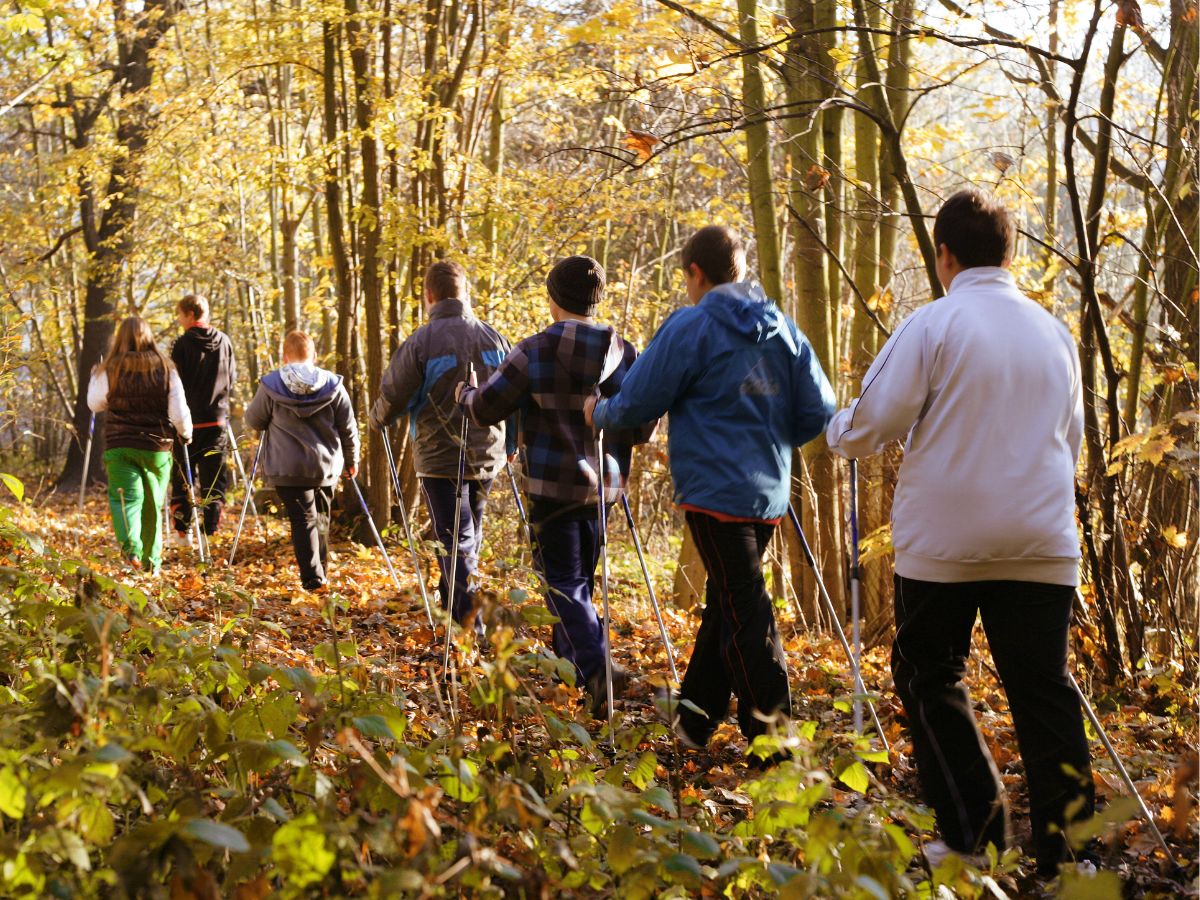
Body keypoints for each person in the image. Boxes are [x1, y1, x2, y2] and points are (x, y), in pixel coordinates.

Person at [825, 188, 1095, 875]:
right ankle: (1071, 860)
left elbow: (870, 423)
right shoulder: (1054, 334)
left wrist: (835, 431)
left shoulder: (934, 324)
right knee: (1044, 690)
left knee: (927, 673)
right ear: (1010, 254)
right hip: (1040, 540)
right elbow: (1072, 440)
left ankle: (976, 835)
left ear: (944, 255)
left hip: (945, 544)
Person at [585, 225, 835, 753]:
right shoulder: (783, 329)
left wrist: (597, 412)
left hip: (713, 494)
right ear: (739, 270)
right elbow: (818, 411)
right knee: (728, 603)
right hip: (768, 493)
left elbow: (637, 401)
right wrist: (770, 436)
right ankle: (694, 723)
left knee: (745, 610)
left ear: (695, 273)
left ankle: (775, 746)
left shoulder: (692, 326)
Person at [459, 255, 651, 717]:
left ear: (552, 299)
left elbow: (486, 408)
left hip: (551, 490)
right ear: (596, 299)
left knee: (563, 586)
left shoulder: (533, 351)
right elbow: (642, 427)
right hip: (604, 490)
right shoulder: (626, 355)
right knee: (579, 584)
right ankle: (577, 680)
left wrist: (464, 393)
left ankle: (598, 667)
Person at [369, 260, 511, 632]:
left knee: (457, 538)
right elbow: (515, 393)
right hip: (487, 454)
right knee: (467, 534)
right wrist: (515, 439)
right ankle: (455, 606)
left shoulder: (421, 342)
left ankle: (467, 626)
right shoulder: (494, 337)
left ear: (429, 296)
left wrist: (378, 419)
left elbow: (393, 392)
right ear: (465, 294)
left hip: (439, 456)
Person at [245, 331, 360, 592]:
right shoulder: (333, 385)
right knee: (320, 517)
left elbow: (253, 420)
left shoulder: (271, 386)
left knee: (304, 520)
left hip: (288, 468)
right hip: (325, 466)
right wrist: (352, 460)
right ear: (314, 356)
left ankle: (313, 578)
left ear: (285, 356)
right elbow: (348, 427)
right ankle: (319, 573)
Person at [87, 316, 193, 574]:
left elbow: (95, 403)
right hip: (157, 447)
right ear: (149, 337)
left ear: (119, 338)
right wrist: (186, 433)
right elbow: (178, 412)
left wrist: (95, 376)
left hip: (120, 444)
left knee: (126, 499)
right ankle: (151, 563)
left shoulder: (109, 368)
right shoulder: (166, 368)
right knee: (152, 505)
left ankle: (131, 549)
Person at [170, 293, 235, 538]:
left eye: (180, 315)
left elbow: (174, 384)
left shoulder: (182, 344)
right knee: (213, 475)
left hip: (187, 422)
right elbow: (232, 377)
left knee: (184, 475)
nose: (179, 320)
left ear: (189, 314)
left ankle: (183, 531)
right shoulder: (225, 342)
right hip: (217, 420)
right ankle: (211, 529)